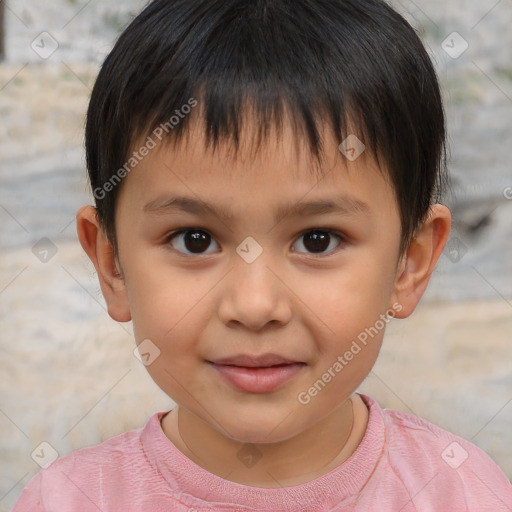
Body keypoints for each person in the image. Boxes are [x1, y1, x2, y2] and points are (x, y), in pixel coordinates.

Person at [13, 0, 512, 510]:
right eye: (195, 239)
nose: (254, 306)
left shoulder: (464, 493)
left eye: (318, 240)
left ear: (410, 262)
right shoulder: (66, 500)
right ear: (112, 264)